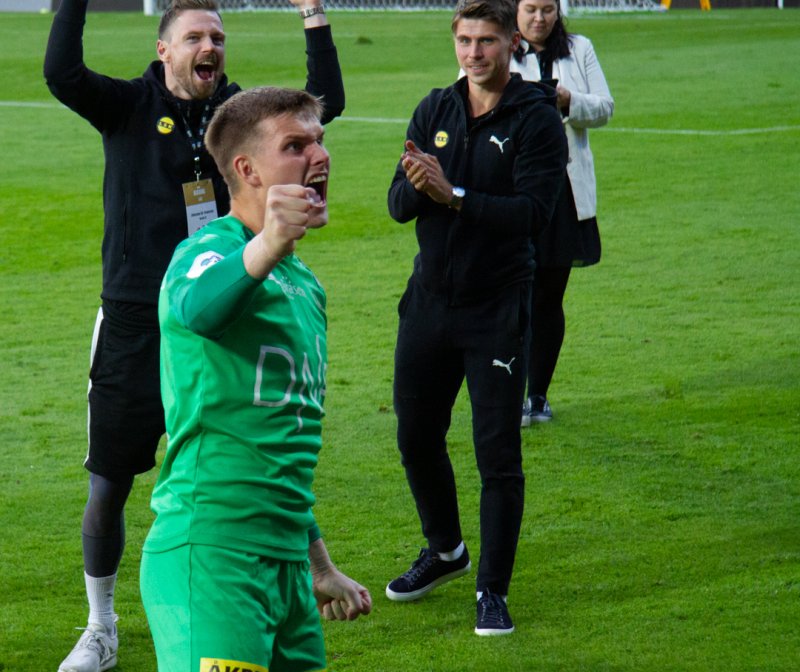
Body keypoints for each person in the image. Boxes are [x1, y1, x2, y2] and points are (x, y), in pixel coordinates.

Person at [43, 1, 344, 670]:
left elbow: (320, 104)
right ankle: (100, 625)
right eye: (194, 37)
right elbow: (62, 74)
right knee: (109, 481)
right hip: (139, 317)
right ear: (164, 50)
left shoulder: (233, 114)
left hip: (235, 302)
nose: (210, 46)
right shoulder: (129, 104)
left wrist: (314, 15)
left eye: (218, 36)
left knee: (251, 431)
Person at [139, 84, 371, 672]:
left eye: (319, 141)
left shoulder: (306, 285)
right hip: (213, 553)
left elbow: (277, 445)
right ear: (247, 170)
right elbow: (197, 310)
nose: (320, 156)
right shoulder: (207, 252)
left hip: (288, 566)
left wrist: (317, 563)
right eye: (295, 146)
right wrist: (267, 241)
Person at [385, 0, 567, 636]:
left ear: (512, 43)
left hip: (496, 309)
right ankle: (445, 551)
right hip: (429, 305)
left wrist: (454, 194)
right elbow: (396, 205)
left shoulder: (536, 118)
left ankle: (492, 590)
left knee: (497, 454)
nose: (473, 53)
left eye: (486, 41)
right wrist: (418, 185)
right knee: (415, 437)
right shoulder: (434, 108)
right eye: (464, 40)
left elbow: (534, 214)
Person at [514, 0, 614, 425]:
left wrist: (567, 99)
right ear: (514, 10)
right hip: (513, 193)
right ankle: (507, 394)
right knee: (514, 298)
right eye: (530, 9)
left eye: (547, 9)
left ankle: (537, 396)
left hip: (565, 194)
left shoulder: (579, 48)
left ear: (558, 12)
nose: (539, 18)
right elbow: (471, 101)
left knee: (549, 298)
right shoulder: (495, 46)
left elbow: (605, 108)